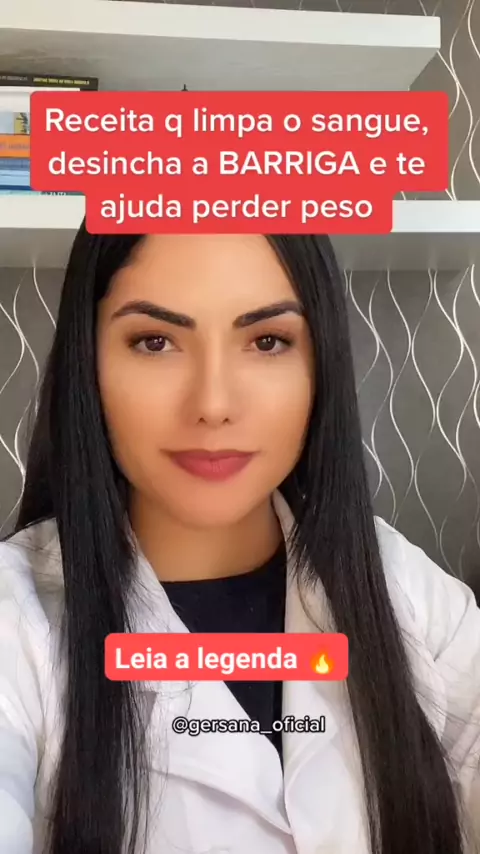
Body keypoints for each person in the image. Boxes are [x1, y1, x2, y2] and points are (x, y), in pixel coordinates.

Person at [0, 228, 479, 854]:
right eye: (155, 341)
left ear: (321, 365)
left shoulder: (403, 587)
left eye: (267, 341)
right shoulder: (17, 618)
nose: (214, 404)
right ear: (88, 364)